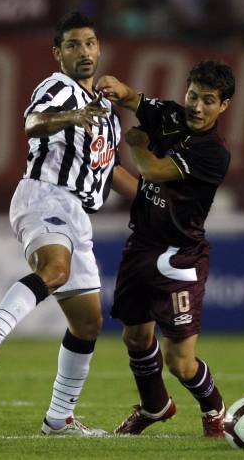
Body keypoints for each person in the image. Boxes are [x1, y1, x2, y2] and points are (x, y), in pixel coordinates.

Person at [0, 12, 137, 436]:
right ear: (58, 53)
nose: (84, 52)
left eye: (90, 43)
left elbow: (110, 170)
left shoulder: (107, 111)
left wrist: (156, 200)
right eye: (73, 44)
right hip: (44, 195)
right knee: (54, 269)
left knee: (87, 323)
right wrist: (70, 118)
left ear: (99, 47)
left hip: (77, 212)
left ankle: (58, 420)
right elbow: (33, 124)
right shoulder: (57, 88)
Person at [96, 60, 235, 437]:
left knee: (180, 362)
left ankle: (213, 407)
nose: (197, 107)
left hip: (180, 256)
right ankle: (155, 406)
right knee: (135, 337)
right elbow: (134, 99)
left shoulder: (214, 153)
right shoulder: (171, 114)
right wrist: (114, 86)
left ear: (223, 106)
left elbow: (154, 171)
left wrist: (137, 144)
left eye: (208, 100)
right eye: (193, 96)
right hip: (141, 246)